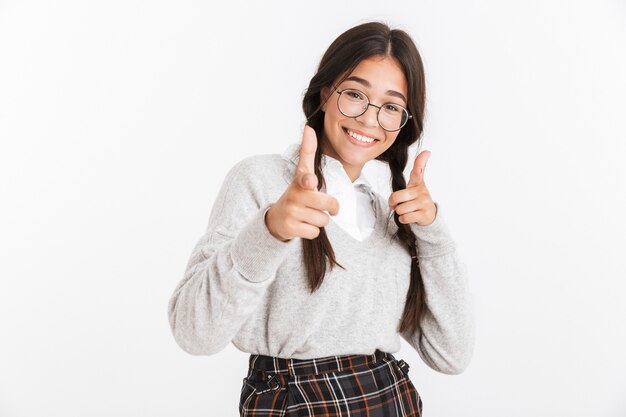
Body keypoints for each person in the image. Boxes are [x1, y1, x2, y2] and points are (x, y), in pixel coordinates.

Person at [167, 20, 475, 417]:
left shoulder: (391, 215)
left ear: (404, 123)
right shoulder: (261, 181)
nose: (368, 119)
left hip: (389, 400)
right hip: (295, 402)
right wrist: (271, 231)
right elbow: (194, 333)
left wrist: (435, 236)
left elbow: (451, 354)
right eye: (355, 94)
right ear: (326, 92)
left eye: (391, 107)